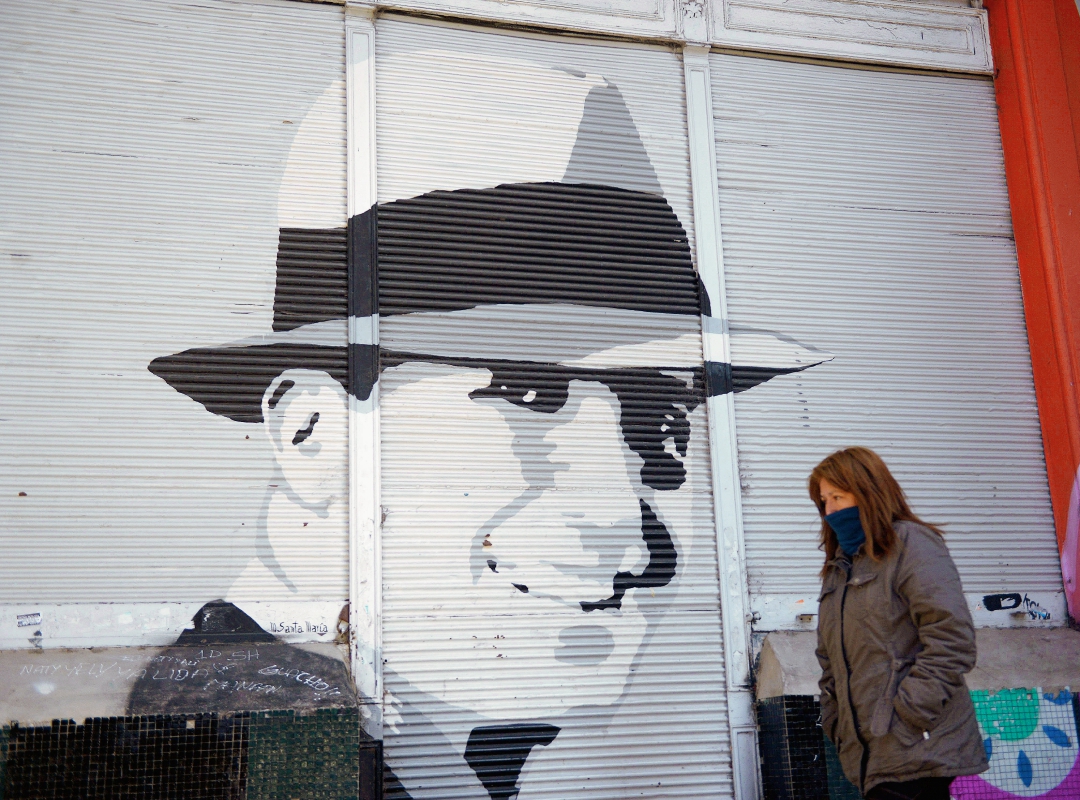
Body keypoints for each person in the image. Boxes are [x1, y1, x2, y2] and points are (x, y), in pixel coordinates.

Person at [149, 50, 833, 799]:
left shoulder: (435, 753)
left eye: (663, 417)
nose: (627, 533)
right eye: (528, 396)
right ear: (310, 430)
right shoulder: (210, 758)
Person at [810, 447, 987, 800]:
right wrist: (835, 720)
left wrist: (907, 713)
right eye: (824, 500)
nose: (830, 510)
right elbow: (830, 658)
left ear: (868, 492)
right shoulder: (840, 568)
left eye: (838, 497)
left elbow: (952, 639)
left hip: (915, 746)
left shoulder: (912, 545)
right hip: (872, 753)